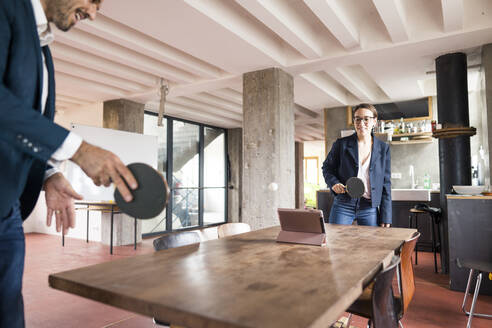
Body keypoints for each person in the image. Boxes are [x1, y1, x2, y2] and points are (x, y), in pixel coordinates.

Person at [0, 1, 138, 327]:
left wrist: (49, 173)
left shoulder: (42, 48)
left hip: (6, 210)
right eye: (92, 2)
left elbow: (23, 123)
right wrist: (78, 149)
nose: (91, 13)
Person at [322, 103, 391, 227]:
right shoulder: (341, 144)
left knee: (370, 245)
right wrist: (334, 183)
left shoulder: (383, 148)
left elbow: (386, 183)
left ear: (374, 121)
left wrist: (386, 216)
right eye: (357, 119)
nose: (361, 123)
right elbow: (327, 168)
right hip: (343, 203)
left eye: (366, 119)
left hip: (369, 207)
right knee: (337, 242)